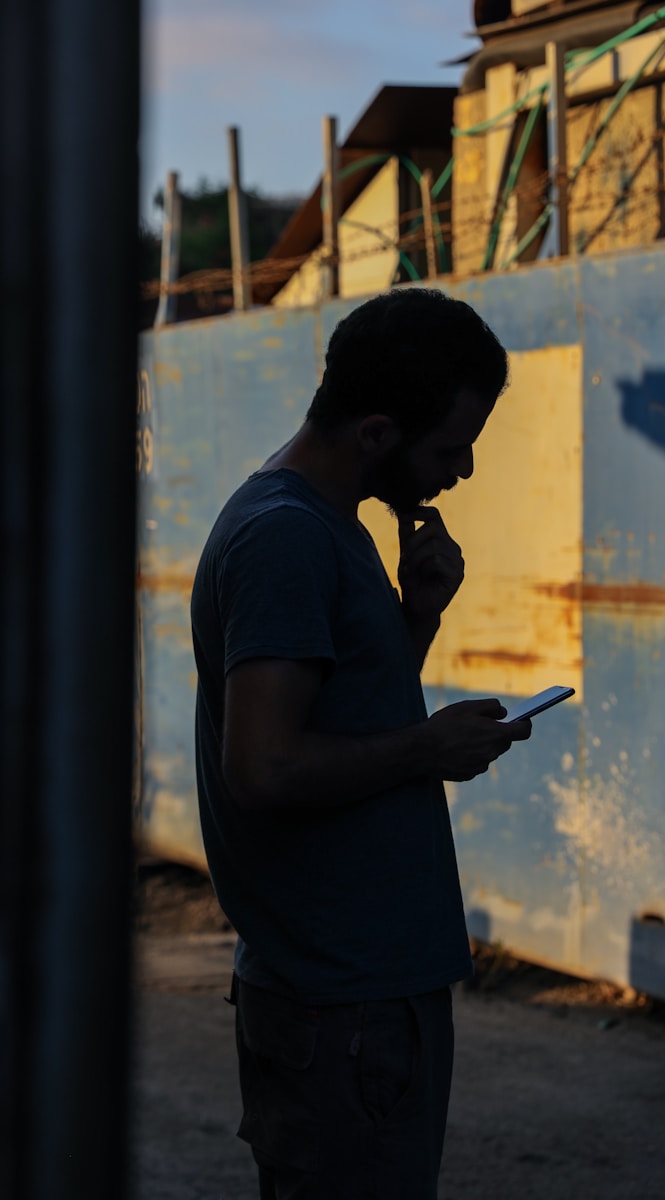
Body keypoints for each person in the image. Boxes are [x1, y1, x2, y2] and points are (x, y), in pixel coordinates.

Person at [190, 287, 532, 1200]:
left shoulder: (326, 530)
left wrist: (415, 620)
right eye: (450, 448)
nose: (459, 473)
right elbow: (262, 767)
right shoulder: (286, 540)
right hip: (341, 1007)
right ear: (376, 433)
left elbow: (331, 723)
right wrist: (426, 749)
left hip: (359, 995)